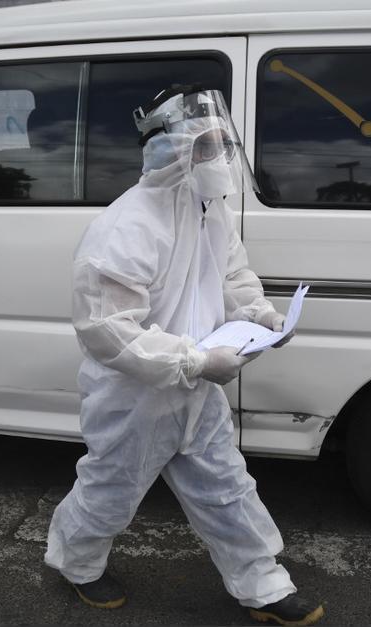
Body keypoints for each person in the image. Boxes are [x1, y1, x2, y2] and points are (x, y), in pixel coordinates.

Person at [44, 84, 324, 626]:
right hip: (135, 397)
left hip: (197, 390)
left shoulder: (209, 208)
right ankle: (78, 565)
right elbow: (107, 331)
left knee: (226, 487)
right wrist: (193, 362)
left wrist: (259, 316)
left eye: (221, 142)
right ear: (167, 149)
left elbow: (233, 274)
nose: (217, 155)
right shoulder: (124, 227)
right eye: (204, 145)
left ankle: (263, 587)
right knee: (110, 493)